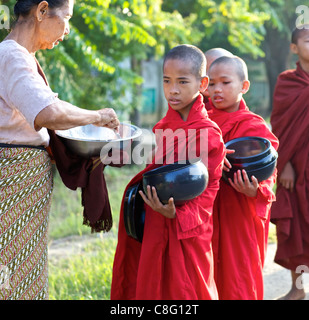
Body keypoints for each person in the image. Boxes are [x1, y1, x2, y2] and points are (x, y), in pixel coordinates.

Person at [0, 0, 119, 300]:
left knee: (22, 264)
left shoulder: (20, 57)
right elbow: (47, 113)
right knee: (13, 270)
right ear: (41, 11)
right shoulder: (12, 56)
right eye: (66, 18)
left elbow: (52, 106)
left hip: (23, 181)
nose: (66, 31)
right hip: (13, 178)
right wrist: (97, 116)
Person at [110, 44, 225, 300]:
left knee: (189, 289)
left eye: (182, 82)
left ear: (202, 83)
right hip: (157, 218)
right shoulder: (162, 127)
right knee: (155, 284)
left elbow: (211, 187)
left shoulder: (208, 131)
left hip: (190, 228)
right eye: (167, 81)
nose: (173, 90)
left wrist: (180, 213)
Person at [207, 56, 279, 300]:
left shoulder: (253, 126)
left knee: (239, 279)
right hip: (206, 212)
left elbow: (269, 169)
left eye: (225, 83)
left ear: (244, 86)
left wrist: (255, 191)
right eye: (212, 84)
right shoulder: (202, 121)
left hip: (238, 213)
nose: (217, 90)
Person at [270, 24, 309, 300]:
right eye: (308, 41)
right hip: (297, 167)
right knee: (297, 228)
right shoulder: (287, 81)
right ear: (294, 48)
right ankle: (298, 288)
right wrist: (283, 164)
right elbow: (279, 126)